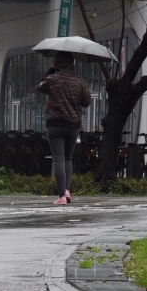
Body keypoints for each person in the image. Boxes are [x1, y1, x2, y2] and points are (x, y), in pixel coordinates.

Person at [37, 52, 91, 205]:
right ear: (72, 63)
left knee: (58, 158)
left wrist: (52, 70)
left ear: (58, 62)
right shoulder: (80, 81)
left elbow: (40, 87)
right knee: (68, 157)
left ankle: (61, 195)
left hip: (55, 124)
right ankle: (67, 190)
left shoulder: (52, 79)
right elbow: (86, 102)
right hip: (73, 125)